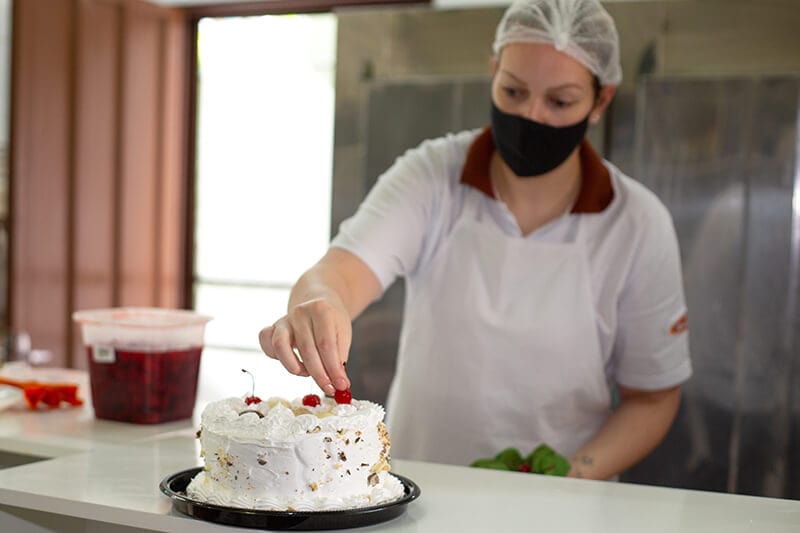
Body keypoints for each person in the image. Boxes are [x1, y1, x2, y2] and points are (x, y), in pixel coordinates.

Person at [259, 0, 691, 480]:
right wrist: (320, 303)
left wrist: (573, 476)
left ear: (601, 101)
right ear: (492, 72)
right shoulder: (432, 176)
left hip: (564, 506)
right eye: (513, 90)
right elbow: (339, 274)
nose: (532, 115)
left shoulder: (636, 223)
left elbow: (652, 397)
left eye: (560, 101)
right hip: (419, 488)